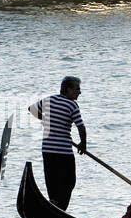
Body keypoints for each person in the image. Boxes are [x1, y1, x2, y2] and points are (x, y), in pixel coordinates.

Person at [29, 76, 87, 210]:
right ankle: (60, 209)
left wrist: (45, 120)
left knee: (52, 182)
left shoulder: (49, 100)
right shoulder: (72, 105)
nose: (79, 92)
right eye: (77, 89)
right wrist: (83, 144)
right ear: (68, 89)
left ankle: (54, 206)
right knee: (69, 182)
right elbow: (81, 127)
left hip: (47, 150)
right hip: (63, 151)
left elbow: (32, 109)